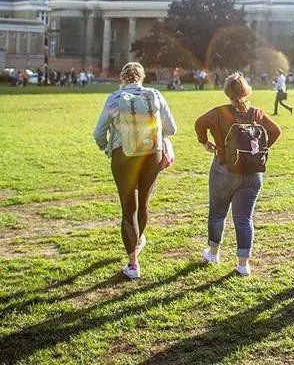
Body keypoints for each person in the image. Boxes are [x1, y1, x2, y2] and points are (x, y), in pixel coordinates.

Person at [93, 62, 177, 279]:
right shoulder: (155, 95)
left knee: (128, 206)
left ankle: (133, 264)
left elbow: (99, 133)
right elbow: (172, 129)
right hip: (152, 154)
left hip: (125, 156)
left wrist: (107, 148)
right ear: (142, 77)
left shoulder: (114, 98)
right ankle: (138, 241)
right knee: (144, 202)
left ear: (123, 78)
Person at [194, 72, 282, 276]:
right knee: (244, 218)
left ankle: (214, 252)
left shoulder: (218, 112)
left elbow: (200, 123)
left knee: (217, 213)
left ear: (227, 92)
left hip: (224, 170)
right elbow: (276, 131)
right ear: (246, 91)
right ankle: (243, 265)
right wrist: (259, 149)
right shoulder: (256, 113)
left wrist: (205, 142)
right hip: (253, 172)